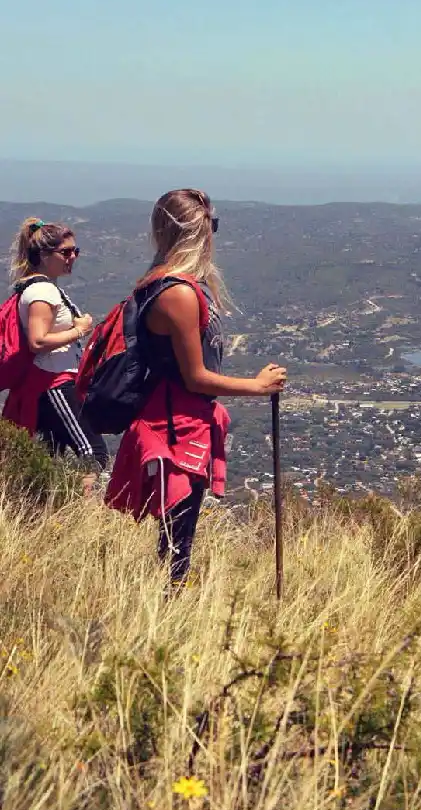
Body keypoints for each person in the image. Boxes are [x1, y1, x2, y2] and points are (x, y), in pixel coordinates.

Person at [105, 188, 287, 589]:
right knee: (177, 541)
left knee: (176, 538)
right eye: (212, 226)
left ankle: (164, 614)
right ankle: (165, 622)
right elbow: (195, 377)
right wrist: (257, 386)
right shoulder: (180, 294)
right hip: (175, 428)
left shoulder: (161, 284)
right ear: (196, 232)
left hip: (174, 419)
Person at [4, 218, 108, 485]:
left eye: (76, 251)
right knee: (93, 454)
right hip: (54, 384)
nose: (72, 257)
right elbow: (37, 342)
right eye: (65, 252)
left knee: (50, 457)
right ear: (43, 255)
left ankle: (44, 514)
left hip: (49, 383)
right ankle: (85, 520)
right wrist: (79, 330)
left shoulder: (40, 287)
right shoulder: (43, 291)